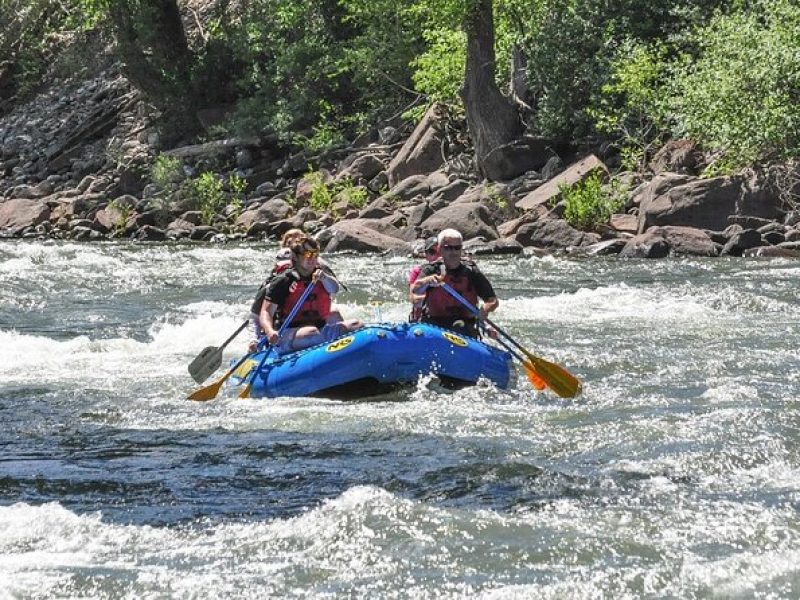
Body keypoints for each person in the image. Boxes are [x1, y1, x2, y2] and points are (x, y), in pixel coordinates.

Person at [258, 236, 362, 353]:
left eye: (315, 254)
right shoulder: (283, 281)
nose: (312, 258)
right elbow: (266, 312)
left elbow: (334, 289)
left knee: (356, 325)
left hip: (320, 329)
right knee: (311, 333)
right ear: (296, 257)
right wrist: (270, 331)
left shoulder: (321, 275)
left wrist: (323, 277)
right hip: (289, 333)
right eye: (308, 254)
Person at [410, 228, 498, 338]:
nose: (453, 252)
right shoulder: (430, 270)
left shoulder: (471, 272)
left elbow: (493, 301)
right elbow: (414, 293)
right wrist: (427, 281)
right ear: (440, 249)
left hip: (465, 325)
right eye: (448, 248)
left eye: (457, 248)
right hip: (435, 325)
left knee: (460, 329)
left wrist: (485, 309)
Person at [407, 236, 440, 322]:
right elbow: (413, 298)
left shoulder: (454, 271)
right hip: (422, 319)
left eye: (440, 252)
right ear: (426, 255)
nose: (437, 256)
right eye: (432, 252)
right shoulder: (417, 271)